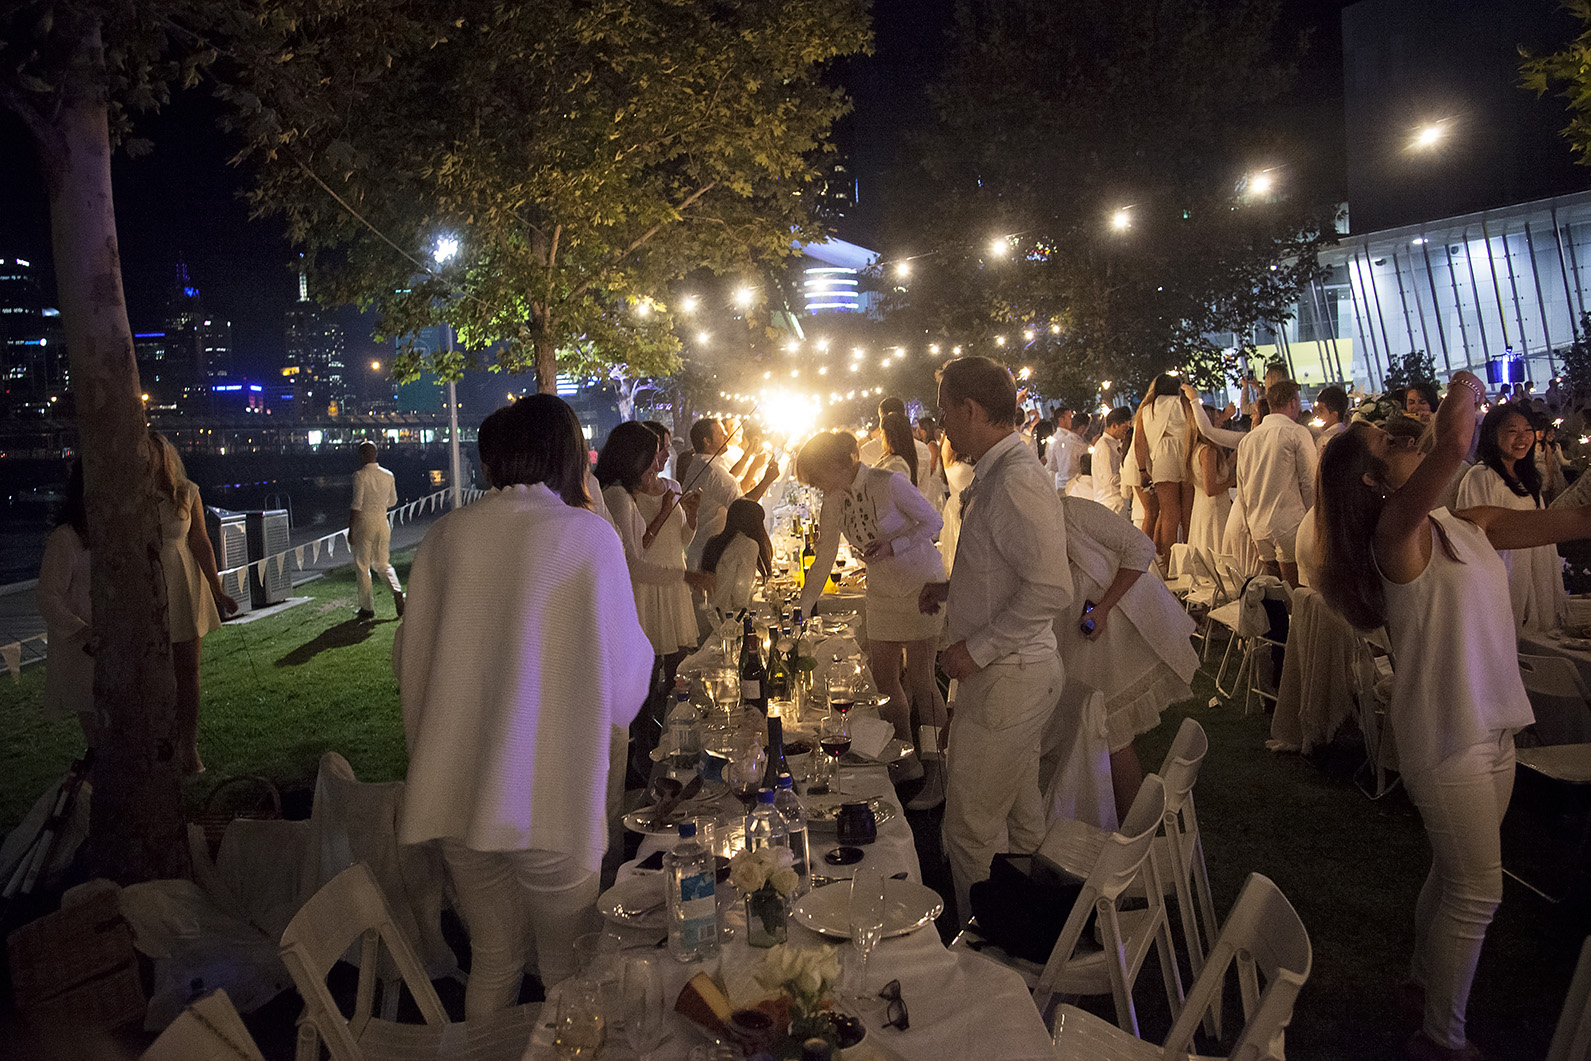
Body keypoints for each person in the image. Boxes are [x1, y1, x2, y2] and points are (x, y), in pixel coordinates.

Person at [1315, 369, 1591, 1061]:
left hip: (1492, 726)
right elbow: (1458, 438)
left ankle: (1421, 984)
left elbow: (1579, 517)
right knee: (1476, 891)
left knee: (1450, 875)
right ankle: (1441, 1037)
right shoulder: (1395, 537)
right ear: (1377, 483)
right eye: (1390, 441)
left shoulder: (1465, 524)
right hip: (1446, 737)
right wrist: (1464, 389)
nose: (1405, 437)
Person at [395, 394, 654, 1015]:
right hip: (549, 796)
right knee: (567, 969)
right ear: (569, 457)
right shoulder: (587, 536)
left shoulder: (445, 535)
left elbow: (409, 662)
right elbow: (626, 685)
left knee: (495, 957)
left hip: (455, 789)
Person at [918, 357, 1071, 922]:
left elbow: (1051, 590)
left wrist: (973, 649)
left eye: (943, 411)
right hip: (1012, 676)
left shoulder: (1015, 479)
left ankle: (983, 957)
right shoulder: (1000, 472)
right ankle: (1034, 923)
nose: (941, 425)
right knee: (1022, 817)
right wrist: (951, 589)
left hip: (1009, 678)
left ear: (971, 410)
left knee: (969, 830)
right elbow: (1001, 573)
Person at [798, 430, 948, 806]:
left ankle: (939, 769)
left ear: (842, 463)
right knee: (883, 680)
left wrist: (895, 544)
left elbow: (933, 522)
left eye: (818, 476)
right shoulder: (833, 501)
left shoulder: (889, 483)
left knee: (922, 679)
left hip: (920, 585)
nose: (817, 486)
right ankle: (906, 757)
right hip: (881, 592)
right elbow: (825, 554)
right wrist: (802, 607)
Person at [1058, 496, 1198, 818]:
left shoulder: (1073, 511)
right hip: (1072, 637)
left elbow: (1141, 547)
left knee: (1110, 728)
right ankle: (1093, 817)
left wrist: (1104, 607)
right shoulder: (1027, 529)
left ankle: (1132, 831)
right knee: (1086, 731)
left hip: (1114, 629)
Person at [149, 431, 239, 775]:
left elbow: (201, 542)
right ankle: (159, 742)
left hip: (184, 582)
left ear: (166, 457)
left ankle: (189, 745)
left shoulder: (187, 493)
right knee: (154, 674)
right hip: (149, 585)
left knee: (188, 671)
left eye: (153, 453)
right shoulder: (133, 496)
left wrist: (217, 592)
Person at [1455, 404, 1566, 632]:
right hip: (1504, 574)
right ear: (1492, 435)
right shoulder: (1480, 476)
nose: (1522, 438)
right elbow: (1472, 535)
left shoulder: (1526, 477)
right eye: (1512, 431)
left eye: (1527, 430)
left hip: (1534, 568)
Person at [38, 460, 99, 750]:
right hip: (85, 651)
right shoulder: (65, 539)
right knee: (99, 738)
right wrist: (82, 632)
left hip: (110, 645)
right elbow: (48, 597)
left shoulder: (111, 535)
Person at [1234, 379, 1316, 587]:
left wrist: (1248, 525)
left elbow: (1242, 488)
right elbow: (1309, 482)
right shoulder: (1296, 432)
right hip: (1291, 523)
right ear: (1293, 403)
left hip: (1258, 523)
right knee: (1296, 590)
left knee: (1274, 590)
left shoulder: (1248, 439)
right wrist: (1314, 519)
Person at [680, 418, 778, 571]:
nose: (726, 436)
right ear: (707, 441)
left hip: (699, 551)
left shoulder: (699, 464)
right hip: (715, 555)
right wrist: (767, 480)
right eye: (720, 434)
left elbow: (730, 486)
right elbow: (743, 510)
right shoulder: (713, 471)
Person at [1132, 374, 1192, 562]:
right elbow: (1195, 426)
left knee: (1169, 513)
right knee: (1188, 511)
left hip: (1161, 459)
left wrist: (1142, 470)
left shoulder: (1146, 410)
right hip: (1185, 453)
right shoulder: (1182, 402)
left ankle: (1169, 561)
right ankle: (1189, 559)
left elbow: (1139, 442)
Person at [349, 441, 405, 621]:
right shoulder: (388, 475)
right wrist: (380, 504)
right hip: (383, 521)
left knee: (362, 566)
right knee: (382, 563)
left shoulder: (359, 475)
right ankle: (397, 591)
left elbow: (356, 505)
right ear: (376, 454)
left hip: (365, 522)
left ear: (362, 456)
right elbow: (393, 501)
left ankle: (367, 608)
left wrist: (351, 529)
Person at [700, 498, 773, 618]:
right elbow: (740, 598)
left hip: (707, 617)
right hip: (727, 620)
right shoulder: (748, 545)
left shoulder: (715, 542)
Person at [1187, 408, 1235, 555]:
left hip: (1202, 508)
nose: (1220, 423)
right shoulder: (1208, 451)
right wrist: (1234, 480)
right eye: (1217, 419)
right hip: (1214, 511)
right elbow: (1211, 489)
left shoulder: (1197, 449)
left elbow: (1221, 470)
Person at [860, 396, 934, 470]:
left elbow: (853, 458)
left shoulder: (880, 445)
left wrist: (866, 438)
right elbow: (925, 481)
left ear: (883, 420)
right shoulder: (923, 449)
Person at [1091, 407, 1132, 518]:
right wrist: (1131, 481)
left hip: (1117, 501)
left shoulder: (1115, 444)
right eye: (1125, 428)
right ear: (1114, 426)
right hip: (1111, 503)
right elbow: (1110, 478)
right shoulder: (1105, 446)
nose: (1126, 431)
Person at [1045, 403, 1087, 495]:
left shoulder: (1069, 437)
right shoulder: (1058, 439)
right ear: (1061, 419)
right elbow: (1052, 466)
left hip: (1067, 485)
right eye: (1069, 417)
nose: (1072, 420)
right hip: (1069, 486)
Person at [875, 410, 922, 490]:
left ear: (888, 435)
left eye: (882, 433)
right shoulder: (891, 458)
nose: (881, 436)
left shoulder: (897, 465)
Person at [1314, 385, 1350, 464]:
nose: (1317, 415)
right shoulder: (1350, 434)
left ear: (1334, 414)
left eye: (1321, 411)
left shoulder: (1324, 440)